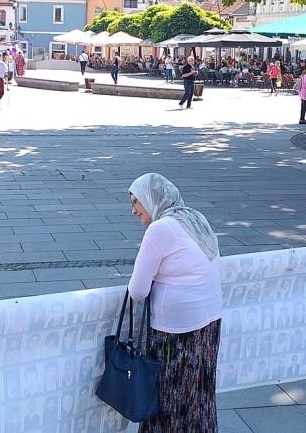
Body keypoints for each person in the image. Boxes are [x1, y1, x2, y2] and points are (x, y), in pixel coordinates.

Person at [127, 173, 222, 433]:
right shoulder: (195, 218)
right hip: (210, 322)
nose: (133, 210)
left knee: (170, 398)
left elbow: (137, 290)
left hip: (176, 331)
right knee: (199, 394)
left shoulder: (160, 229)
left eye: (136, 202)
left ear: (152, 199)